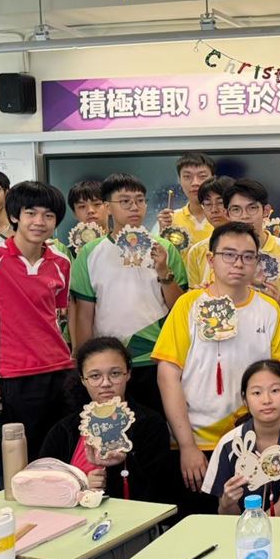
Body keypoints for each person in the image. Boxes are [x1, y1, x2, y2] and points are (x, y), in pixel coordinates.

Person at [152, 222, 280, 506]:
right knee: (203, 523)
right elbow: (167, 376)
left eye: (247, 256)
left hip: (256, 440)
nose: (238, 263)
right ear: (211, 259)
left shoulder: (268, 309)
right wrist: (187, 446)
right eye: (228, 254)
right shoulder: (188, 305)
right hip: (199, 443)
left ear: (257, 261)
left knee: (258, 521)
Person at [0, 181, 72, 458]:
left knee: (64, 458)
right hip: (14, 375)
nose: (39, 222)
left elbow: (56, 317)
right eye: (30, 213)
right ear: (14, 216)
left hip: (61, 371)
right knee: (25, 461)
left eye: (48, 215)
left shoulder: (61, 262)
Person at [70, 173, 187, 413]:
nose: (134, 207)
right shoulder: (90, 252)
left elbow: (180, 308)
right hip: (109, 364)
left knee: (155, 426)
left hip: (156, 356)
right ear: (107, 207)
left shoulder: (164, 248)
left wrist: (163, 271)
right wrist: (84, 362)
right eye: (125, 201)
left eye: (140, 200)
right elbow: (84, 314)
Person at [39, 337, 171, 503]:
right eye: (95, 376)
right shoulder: (64, 429)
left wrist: (118, 466)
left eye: (115, 374)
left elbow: (158, 491)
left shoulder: (150, 424)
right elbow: (42, 483)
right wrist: (80, 486)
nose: (106, 383)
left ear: (128, 374)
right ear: (83, 379)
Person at [225, 179, 280, 378]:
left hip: (279, 358)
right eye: (236, 210)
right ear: (227, 214)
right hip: (229, 357)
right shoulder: (218, 254)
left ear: (265, 211)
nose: (245, 216)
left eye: (252, 208)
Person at [203, 360, 280, 516]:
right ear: (244, 399)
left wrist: (257, 528)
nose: (267, 400)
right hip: (243, 527)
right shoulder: (228, 444)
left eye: (275, 390)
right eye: (256, 393)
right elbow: (225, 514)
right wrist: (227, 503)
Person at [183, 176, 236, 287]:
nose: (214, 210)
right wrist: (199, 293)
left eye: (220, 202)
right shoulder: (196, 251)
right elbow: (193, 292)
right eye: (207, 204)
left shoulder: (253, 246)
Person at [156, 152, 215, 246]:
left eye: (202, 176)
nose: (195, 183)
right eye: (187, 176)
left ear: (213, 178)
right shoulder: (168, 219)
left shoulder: (225, 217)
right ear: (179, 180)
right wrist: (163, 232)